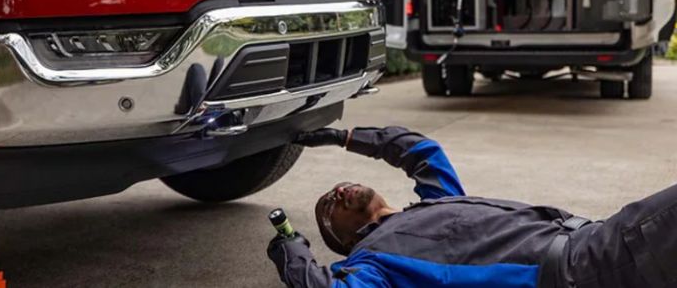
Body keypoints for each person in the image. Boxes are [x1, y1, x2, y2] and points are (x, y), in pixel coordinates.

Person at [267, 126, 677, 288]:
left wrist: (345, 137)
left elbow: (419, 150)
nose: (337, 192)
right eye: (328, 207)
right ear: (343, 239)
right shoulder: (373, 264)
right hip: (589, 265)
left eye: (335, 187)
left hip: (596, 240)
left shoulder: (437, 200)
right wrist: (292, 249)